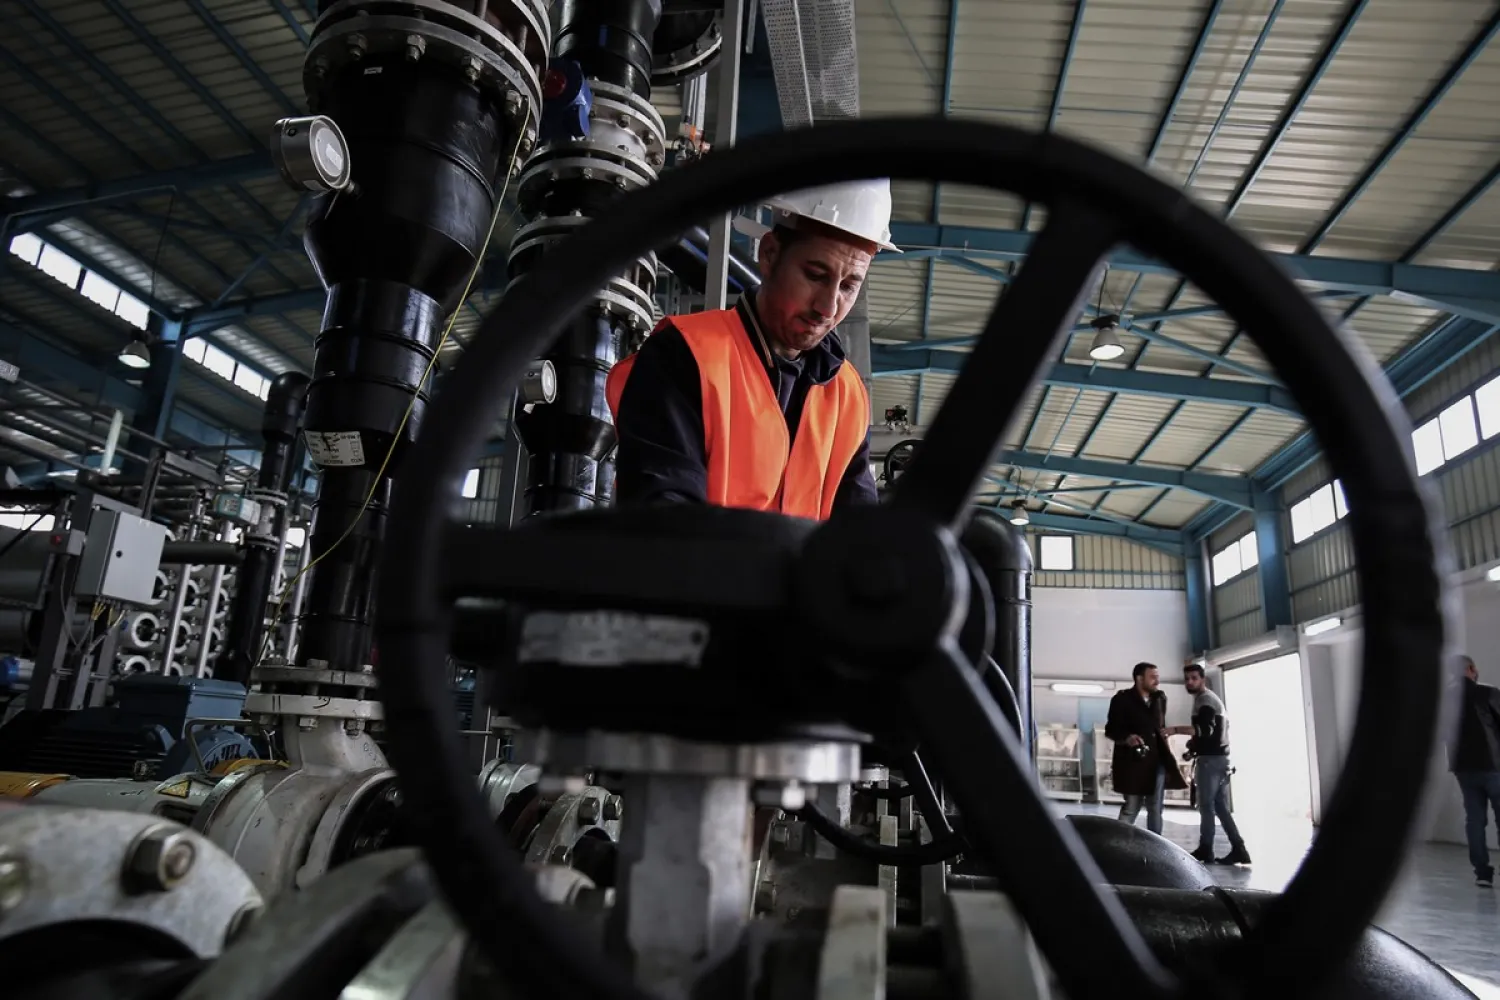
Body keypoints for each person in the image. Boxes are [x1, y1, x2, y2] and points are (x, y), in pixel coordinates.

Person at [606, 181, 896, 520]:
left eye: (848, 287)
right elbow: (662, 518)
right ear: (770, 255)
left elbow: (855, 539)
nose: (829, 307)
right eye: (816, 276)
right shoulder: (687, 354)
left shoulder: (848, 398)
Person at [1174, 663, 1252, 866]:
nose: (1190, 682)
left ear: (1203, 680)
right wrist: (1193, 747)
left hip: (1211, 761)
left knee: (1206, 806)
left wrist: (1174, 730)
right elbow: (1211, 734)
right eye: (1187, 678)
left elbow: (1205, 730)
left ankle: (1206, 849)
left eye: (1194, 678)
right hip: (1220, 759)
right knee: (1220, 807)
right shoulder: (1206, 699)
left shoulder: (1205, 700)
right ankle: (1239, 848)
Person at [1104, 662, 1186, 834]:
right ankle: (1118, 842)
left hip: (1157, 760)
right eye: (1152, 677)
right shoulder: (1122, 699)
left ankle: (1156, 846)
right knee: (1131, 806)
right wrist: (1127, 738)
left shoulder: (1160, 698)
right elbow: (1111, 729)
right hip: (1133, 762)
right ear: (1139, 678)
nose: (1157, 680)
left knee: (1155, 808)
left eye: (1158, 676)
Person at [1448, 655, 1500, 887]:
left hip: (1464, 769)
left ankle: (1482, 873)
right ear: (1471, 669)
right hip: (1494, 766)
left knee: (1475, 820)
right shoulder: (1488, 692)